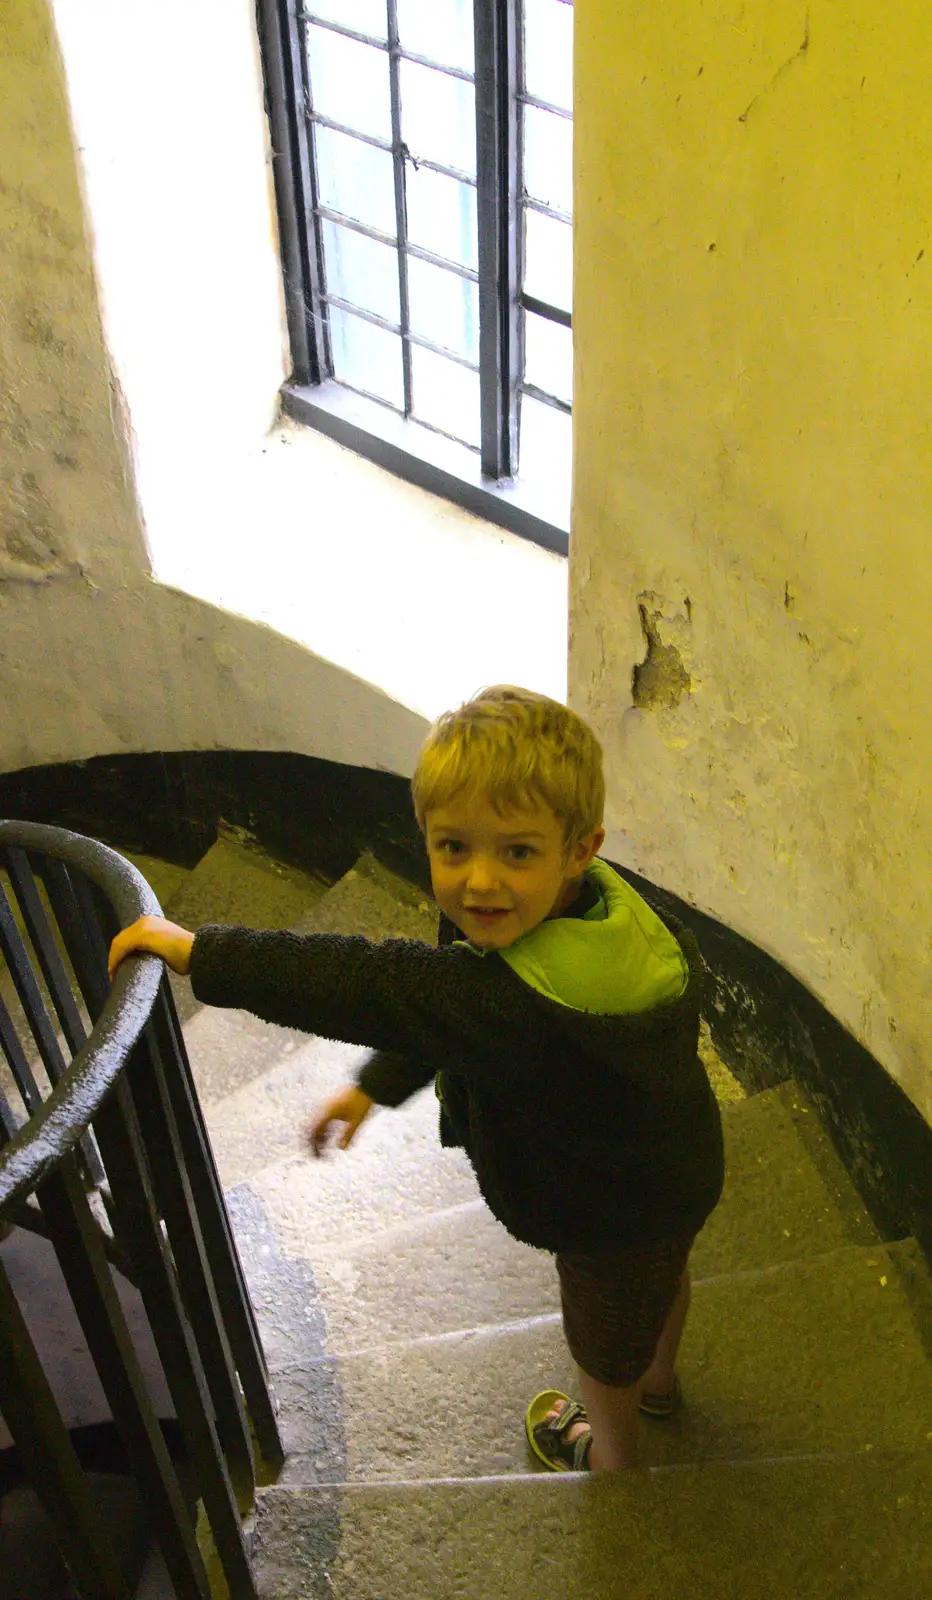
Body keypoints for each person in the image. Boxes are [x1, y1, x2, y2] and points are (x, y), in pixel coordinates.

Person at [108, 686, 724, 1472]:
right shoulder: (609, 911)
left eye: (517, 852)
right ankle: (661, 1383)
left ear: (579, 848)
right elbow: (449, 1009)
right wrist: (376, 1085)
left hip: (608, 1212)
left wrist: (203, 952)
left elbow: (377, 986)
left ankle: (612, 1458)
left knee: (603, 1353)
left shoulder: (506, 1000)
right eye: (453, 847)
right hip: (681, 1167)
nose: (480, 883)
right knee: (663, 1282)